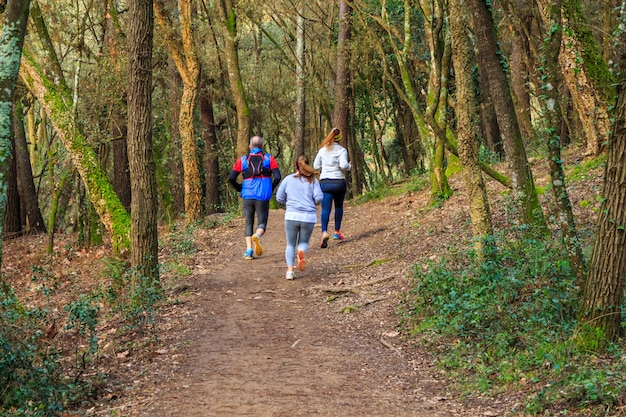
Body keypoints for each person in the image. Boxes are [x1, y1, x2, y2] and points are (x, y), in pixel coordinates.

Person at [228, 136, 282, 260]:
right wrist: (270, 187)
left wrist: (239, 188)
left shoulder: (242, 160)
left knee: (249, 222)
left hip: (247, 193)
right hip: (263, 194)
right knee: (262, 222)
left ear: (250, 146)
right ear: (262, 146)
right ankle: (257, 235)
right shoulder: (269, 158)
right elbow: (278, 176)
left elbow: (231, 178)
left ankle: (248, 250)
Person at [276, 155, 323, 280]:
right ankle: (301, 252)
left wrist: (288, 200)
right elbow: (318, 198)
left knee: (290, 244)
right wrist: (314, 202)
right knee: (303, 242)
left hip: (291, 215)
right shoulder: (313, 181)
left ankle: (290, 271)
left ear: (295, 165)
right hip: (308, 217)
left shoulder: (288, 179)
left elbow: (279, 197)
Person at [313, 127, 351, 248]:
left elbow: (315, 165)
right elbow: (343, 165)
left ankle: (324, 232)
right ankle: (336, 232)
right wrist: (349, 166)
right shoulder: (342, 150)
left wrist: (323, 169)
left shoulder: (322, 150)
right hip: (339, 182)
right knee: (339, 206)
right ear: (339, 138)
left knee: (325, 209)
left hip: (325, 182)